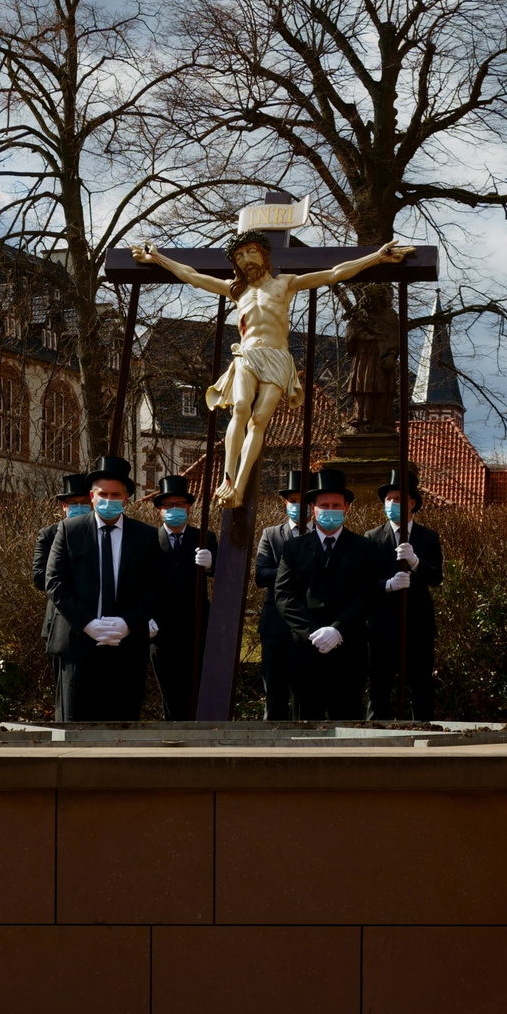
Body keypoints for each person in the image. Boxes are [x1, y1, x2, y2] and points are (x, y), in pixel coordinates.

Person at [130, 232, 414, 507]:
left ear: (264, 256)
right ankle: (228, 480)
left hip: (277, 357)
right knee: (240, 409)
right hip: (247, 355)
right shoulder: (236, 290)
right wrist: (158, 259)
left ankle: (239, 486)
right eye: (239, 255)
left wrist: (377, 257)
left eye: (251, 252)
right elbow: (192, 277)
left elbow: (334, 273)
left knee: (259, 420)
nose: (245, 259)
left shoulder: (285, 284)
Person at [44, 456, 166, 723]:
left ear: (126, 499)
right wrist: (86, 623)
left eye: (116, 495)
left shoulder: (146, 536)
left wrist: (128, 623)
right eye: (103, 494)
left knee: (122, 726)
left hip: (127, 648)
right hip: (78, 646)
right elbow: (54, 581)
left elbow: (155, 587)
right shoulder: (69, 530)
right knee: (75, 727)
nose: (109, 500)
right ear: (91, 496)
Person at [273, 468, 384, 722]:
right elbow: (284, 595)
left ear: (347, 508)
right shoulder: (294, 548)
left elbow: (367, 595)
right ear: (312, 508)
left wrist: (337, 629)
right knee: (304, 728)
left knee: (348, 726)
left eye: (336, 504)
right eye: (324, 505)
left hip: (348, 653)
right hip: (304, 653)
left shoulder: (365, 548)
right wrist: (311, 631)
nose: (330, 509)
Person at [366, 467, 444, 723]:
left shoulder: (428, 537)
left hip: (418, 626)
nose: (393, 504)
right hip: (383, 627)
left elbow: (436, 578)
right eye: (389, 499)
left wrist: (415, 561)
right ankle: (375, 741)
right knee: (379, 690)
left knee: (421, 689)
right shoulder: (372, 538)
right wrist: (387, 585)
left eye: (398, 499)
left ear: (411, 503)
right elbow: (365, 583)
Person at [146, 474, 217, 722]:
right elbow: (139, 582)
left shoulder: (205, 538)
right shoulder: (149, 540)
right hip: (160, 629)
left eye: (179, 505)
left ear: (188, 507)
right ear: (159, 510)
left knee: (195, 684)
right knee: (169, 689)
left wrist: (210, 565)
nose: (174, 510)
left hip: (195, 624)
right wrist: (146, 618)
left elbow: (223, 574)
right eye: (168, 506)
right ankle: (173, 734)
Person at [34, 473, 92, 718]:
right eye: (73, 503)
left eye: (83, 503)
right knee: (67, 699)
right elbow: (40, 577)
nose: (78, 508)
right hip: (62, 625)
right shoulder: (49, 534)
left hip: (98, 623)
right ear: (64, 506)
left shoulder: (99, 533)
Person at [254, 470, 303, 722]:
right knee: (274, 691)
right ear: (285, 502)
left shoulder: (320, 534)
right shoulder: (271, 534)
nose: (298, 505)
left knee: (303, 692)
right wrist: (290, 572)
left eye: (303, 500)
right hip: (275, 623)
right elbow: (261, 574)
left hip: (308, 621)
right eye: (293, 501)